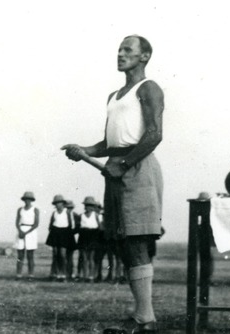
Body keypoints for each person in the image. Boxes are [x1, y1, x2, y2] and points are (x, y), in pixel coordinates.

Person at [62, 35, 163, 332]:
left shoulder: (149, 88)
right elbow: (109, 143)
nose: (120, 54)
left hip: (138, 167)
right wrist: (84, 151)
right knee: (123, 242)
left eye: (127, 50)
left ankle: (144, 317)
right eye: (119, 50)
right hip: (116, 167)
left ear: (144, 56)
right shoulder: (113, 96)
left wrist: (126, 163)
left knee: (136, 240)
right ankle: (142, 315)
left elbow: (155, 133)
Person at [46, 195, 76, 282]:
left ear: (63, 204)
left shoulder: (67, 212)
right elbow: (50, 225)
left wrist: (68, 236)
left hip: (65, 233)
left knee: (62, 255)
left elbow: (71, 225)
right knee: (55, 254)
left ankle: (63, 274)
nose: (58, 205)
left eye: (59, 203)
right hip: (55, 232)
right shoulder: (54, 213)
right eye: (56, 203)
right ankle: (54, 274)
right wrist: (53, 233)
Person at [15, 191, 40, 280]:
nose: (27, 201)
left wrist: (26, 233)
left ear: (32, 200)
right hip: (21, 230)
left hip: (31, 232)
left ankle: (31, 275)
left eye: (29, 199)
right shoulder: (20, 209)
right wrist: (20, 231)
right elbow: (17, 222)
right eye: (26, 199)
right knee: (20, 255)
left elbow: (36, 224)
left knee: (30, 255)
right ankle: (18, 274)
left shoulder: (35, 209)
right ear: (24, 200)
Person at [77, 196, 101, 283]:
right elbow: (78, 227)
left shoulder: (96, 216)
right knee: (84, 257)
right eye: (86, 205)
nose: (88, 207)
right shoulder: (81, 216)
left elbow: (99, 227)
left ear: (93, 207)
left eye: (90, 205)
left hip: (93, 237)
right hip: (83, 236)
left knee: (91, 257)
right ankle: (85, 276)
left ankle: (91, 276)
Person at [65, 200, 79, 281]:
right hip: (63, 236)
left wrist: (72, 232)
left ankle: (70, 273)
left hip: (71, 237)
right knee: (62, 256)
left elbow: (78, 226)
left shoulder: (75, 215)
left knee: (70, 256)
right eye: (67, 208)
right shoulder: (63, 215)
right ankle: (63, 273)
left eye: (70, 208)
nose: (68, 209)